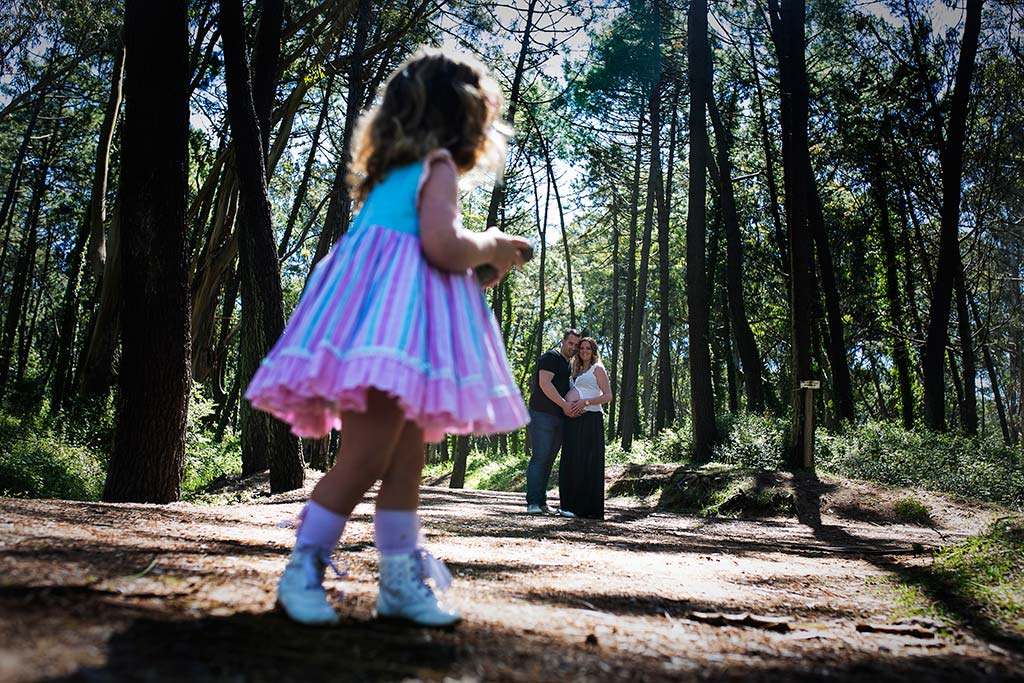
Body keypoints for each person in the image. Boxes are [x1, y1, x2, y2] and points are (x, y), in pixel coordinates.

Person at [244, 48, 531, 627]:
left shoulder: (394, 176)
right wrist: (496, 245)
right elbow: (442, 247)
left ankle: (399, 585)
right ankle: (303, 570)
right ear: (464, 120)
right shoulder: (439, 167)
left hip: (385, 337)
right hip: (394, 345)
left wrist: (478, 262)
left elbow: (418, 255)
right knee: (367, 459)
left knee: (403, 467)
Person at [525, 329, 582, 514]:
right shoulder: (551, 357)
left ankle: (542, 503)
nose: (573, 347)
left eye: (576, 345)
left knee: (549, 460)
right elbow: (545, 383)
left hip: (559, 418)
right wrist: (565, 405)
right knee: (540, 458)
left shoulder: (568, 365)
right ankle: (532, 502)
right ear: (563, 341)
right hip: (541, 415)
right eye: (570, 343)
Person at [559, 337, 612, 519]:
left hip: (591, 419)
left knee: (588, 463)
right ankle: (570, 506)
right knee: (573, 462)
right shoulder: (577, 369)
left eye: (587, 348)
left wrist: (585, 402)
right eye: (581, 348)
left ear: (593, 350)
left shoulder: (598, 368)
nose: (584, 351)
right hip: (575, 421)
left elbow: (608, 396)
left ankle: (588, 509)